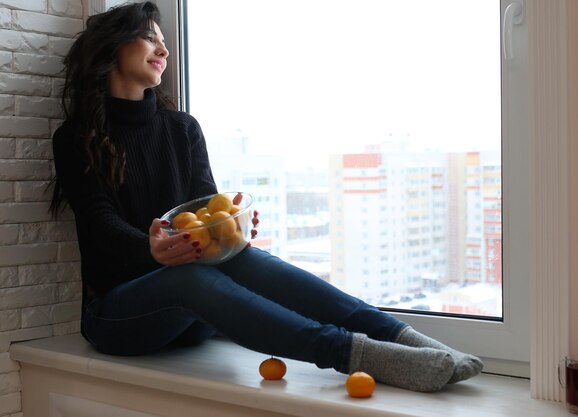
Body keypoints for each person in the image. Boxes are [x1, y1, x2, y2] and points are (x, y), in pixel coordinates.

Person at [50, 1, 483, 393]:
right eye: (149, 37)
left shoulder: (182, 128)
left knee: (242, 257)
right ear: (112, 48)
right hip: (119, 317)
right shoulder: (76, 139)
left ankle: (404, 338)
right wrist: (151, 248)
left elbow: (203, 206)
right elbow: (98, 223)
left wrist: (229, 228)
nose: (163, 49)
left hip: (194, 320)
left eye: (164, 41)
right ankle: (357, 355)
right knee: (188, 276)